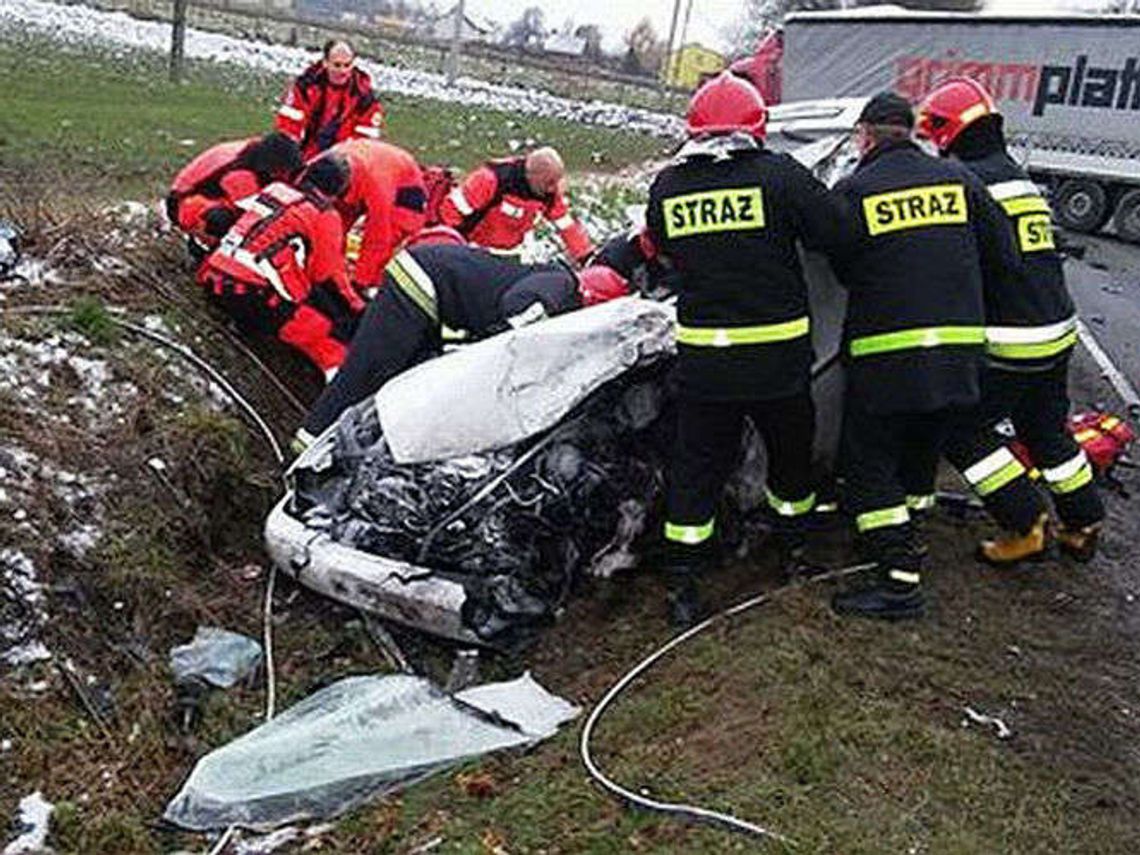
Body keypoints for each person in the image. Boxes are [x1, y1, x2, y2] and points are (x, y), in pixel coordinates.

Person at [642, 72, 849, 628]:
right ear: (757, 127)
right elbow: (835, 232)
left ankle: (684, 584)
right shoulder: (780, 176)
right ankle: (792, 554)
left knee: (698, 469)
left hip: (706, 364)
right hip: (778, 364)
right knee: (790, 460)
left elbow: (662, 251)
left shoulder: (668, 188)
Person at [829, 92, 1022, 621]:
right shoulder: (962, 181)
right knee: (922, 446)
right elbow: (1002, 255)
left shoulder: (856, 189)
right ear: (911, 131)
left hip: (887, 354)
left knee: (868, 464)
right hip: (957, 353)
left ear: (866, 136)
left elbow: (843, 269)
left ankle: (898, 579)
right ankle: (911, 532)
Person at [917, 77, 1105, 562]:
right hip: (1057, 328)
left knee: (961, 431)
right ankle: (1083, 523)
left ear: (946, 131)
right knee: (1046, 430)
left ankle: (1025, 523)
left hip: (1012, 337)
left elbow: (953, 263)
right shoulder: (1016, 176)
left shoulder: (969, 182)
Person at [294, 244, 632, 446]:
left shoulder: (561, 288)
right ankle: (307, 445)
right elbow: (518, 312)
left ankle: (351, 444)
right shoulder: (562, 288)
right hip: (423, 281)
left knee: (406, 381)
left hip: (438, 291)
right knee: (370, 370)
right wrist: (483, 346)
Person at [196, 158, 364, 380]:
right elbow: (326, 275)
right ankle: (337, 400)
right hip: (250, 293)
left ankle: (248, 334)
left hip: (213, 277)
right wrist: (358, 307)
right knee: (332, 340)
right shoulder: (324, 215)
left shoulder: (274, 191)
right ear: (339, 191)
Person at [302, 139, 428, 295]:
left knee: (392, 235)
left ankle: (371, 289)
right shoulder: (315, 165)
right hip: (364, 167)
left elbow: (377, 240)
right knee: (335, 228)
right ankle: (333, 272)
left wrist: (359, 283)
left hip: (403, 185)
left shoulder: (379, 188)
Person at [437, 147, 594, 264]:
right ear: (531, 175)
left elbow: (567, 227)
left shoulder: (548, 193)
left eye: (557, 181)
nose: (554, 189)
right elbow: (449, 213)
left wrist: (586, 258)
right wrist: (457, 251)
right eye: (550, 183)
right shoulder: (490, 180)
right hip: (474, 249)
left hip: (510, 254)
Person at [166, 132, 302, 261]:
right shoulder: (240, 173)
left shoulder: (258, 152)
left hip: (211, 193)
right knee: (224, 221)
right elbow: (253, 216)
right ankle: (206, 250)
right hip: (183, 204)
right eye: (281, 172)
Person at [275, 39, 385, 161]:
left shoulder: (364, 97)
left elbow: (364, 143)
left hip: (341, 161)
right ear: (325, 63)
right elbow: (288, 127)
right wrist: (293, 156)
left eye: (347, 65)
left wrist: (338, 158)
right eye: (337, 65)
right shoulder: (305, 86)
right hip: (303, 154)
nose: (342, 71)